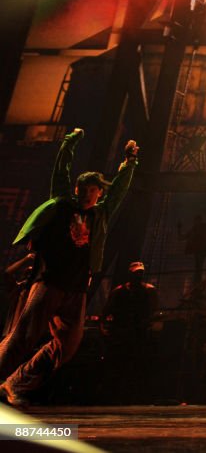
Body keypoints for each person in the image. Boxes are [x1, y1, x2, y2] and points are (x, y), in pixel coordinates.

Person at [0, 129, 139, 406]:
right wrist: (69, 142)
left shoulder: (101, 213)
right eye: (84, 190)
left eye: (93, 190)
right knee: (23, 338)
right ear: (77, 190)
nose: (88, 195)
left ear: (99, 193)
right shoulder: (64, 205)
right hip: (50, 282)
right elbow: (60, 171)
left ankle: (15, 382)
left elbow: (120, 189)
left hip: (76, 289)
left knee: (67, 347)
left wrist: (129, 163)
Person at [102, 261, 159, 404]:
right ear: (130, 274)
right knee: (121, 366)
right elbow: (106, 312)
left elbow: (154, 311)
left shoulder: (149, 291)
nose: (139, 276)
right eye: (136, 273)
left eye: (141, 273)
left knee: (136, 367)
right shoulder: (119, 292)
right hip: (122, 335)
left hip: (138, 334)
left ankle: (133, 396)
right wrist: (105, 329)